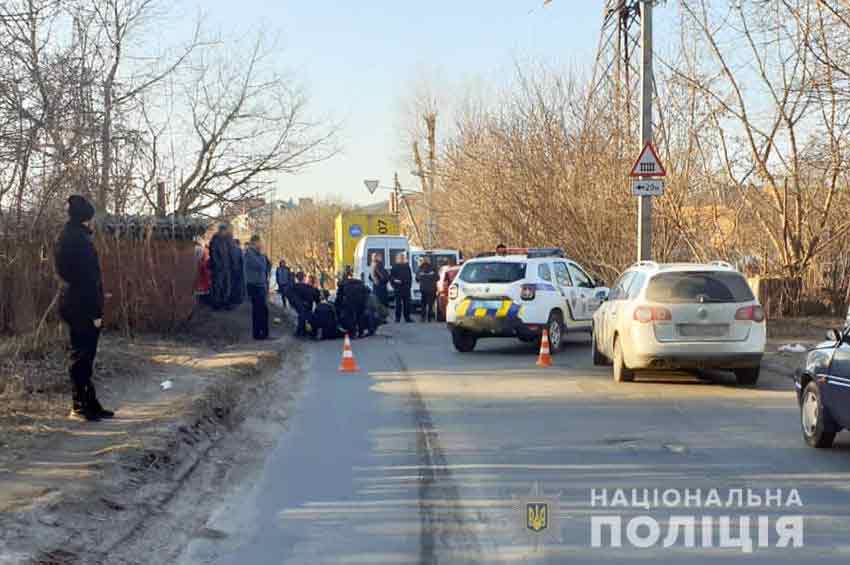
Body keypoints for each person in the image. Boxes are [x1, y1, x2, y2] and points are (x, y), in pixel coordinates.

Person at [54, 194, 114, 422]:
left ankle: (89, 402)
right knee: (82, 354)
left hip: (75, 300)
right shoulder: (77, 239)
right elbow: (87, 277)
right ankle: (79, 406)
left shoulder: (70, 236)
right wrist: (96, 309)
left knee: (85, 354)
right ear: (85, 217)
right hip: (82, 303)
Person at [244, 235, 272, 340]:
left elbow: (266, 266)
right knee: (259, 310)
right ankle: (258, 334)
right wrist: (262, 256)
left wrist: (263, 257)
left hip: (261, 284)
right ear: (254, 243)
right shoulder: (249, 254)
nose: (261, 245)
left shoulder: (259, 254)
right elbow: (259, 265)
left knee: (263, 310)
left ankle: (263, 333)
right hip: (254, 285)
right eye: (259, 243)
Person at [336, 271, 372, 337]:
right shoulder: (359, 283)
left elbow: (339, 297)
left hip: (350, 302)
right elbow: (368, 291)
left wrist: (337, 306)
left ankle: (353, 333)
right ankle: (361, 332)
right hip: (361, 302)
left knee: (350, 317)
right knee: (360, 317)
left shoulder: (343, 284)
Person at [208, 224, 233, 309]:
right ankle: (216, 303)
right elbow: (213, 254)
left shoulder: (227, 240)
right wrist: (218, 265)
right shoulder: (215, 240)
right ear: (221, 230)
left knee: (226, 285)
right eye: (225, 230)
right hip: (218, 268)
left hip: (226, 266)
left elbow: (230, 252)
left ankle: (225, 302)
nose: (226, 232)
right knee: (217, 286)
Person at [292, 271, 319, 337]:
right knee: (306, 316)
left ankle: (301, 331)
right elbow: (315, 296)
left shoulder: (294, 287)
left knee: (302, 316)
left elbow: (292, 297)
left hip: (300, 306)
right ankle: (308, 331)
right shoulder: (308, 287)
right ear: (304, 278)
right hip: (308, 306)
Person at [390, 252, 413, 323]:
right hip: (398, 288)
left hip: (406, 288)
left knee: (407, 304)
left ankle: (407, 317)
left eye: (403, 258)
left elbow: (410, 277)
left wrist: (409, 286)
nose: (402, 259)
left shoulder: (407, 266)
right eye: (401, 258)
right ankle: (397, 318)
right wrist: (395, 282)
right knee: (398, 304)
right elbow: (391, 277)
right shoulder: (395, 266)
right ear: (398, 259)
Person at [229, 238, 245, 307]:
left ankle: (234, 300)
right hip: (238, 271)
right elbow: (242, 261)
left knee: (233, 286)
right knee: (238, 286)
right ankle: (238, 300)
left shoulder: (231, 250)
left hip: (232, 271)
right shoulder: (239, 250)